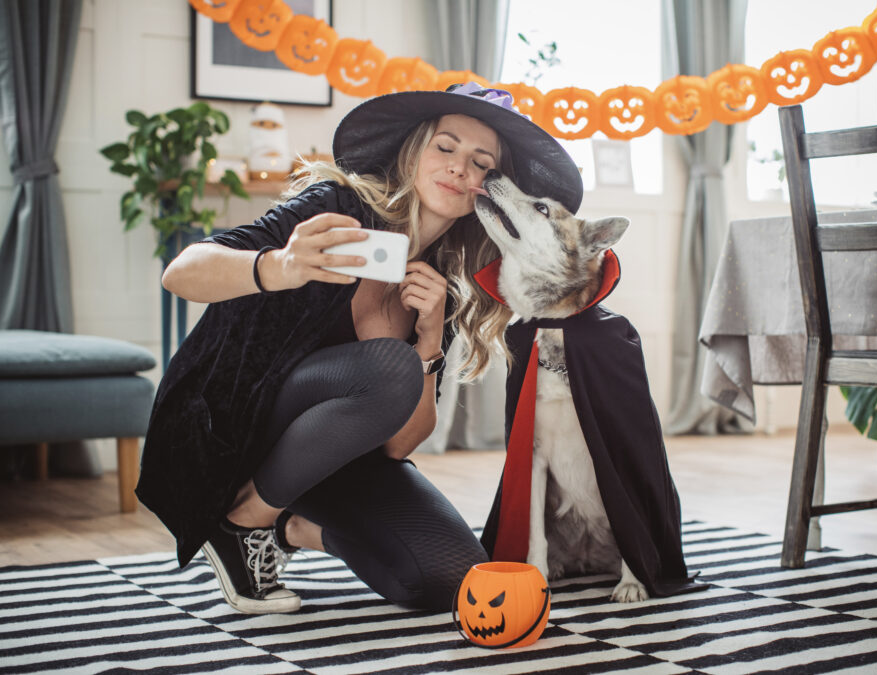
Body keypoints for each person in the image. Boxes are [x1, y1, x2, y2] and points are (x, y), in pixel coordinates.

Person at [135, 83, 584, 614]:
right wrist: (279, 265)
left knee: (456, 583)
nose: (460, 168)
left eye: (480, 163)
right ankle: (242, 521)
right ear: (415, 150)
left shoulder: (440, 282)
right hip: (238, 432)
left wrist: (430, 337)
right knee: (388, 365)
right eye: (446, 147)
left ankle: (288, 527)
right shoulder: (337, 208)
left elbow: (397, 446)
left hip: (329, 463)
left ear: (488, 189)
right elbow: (179, 273)